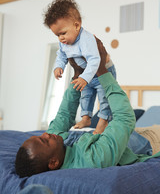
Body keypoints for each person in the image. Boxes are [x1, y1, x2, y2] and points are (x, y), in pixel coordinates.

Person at [15, 38, 160, 178]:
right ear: (53, 163)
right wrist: (103, 71)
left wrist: (77, 74)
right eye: (45, 140)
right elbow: (125, 118)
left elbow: (64, 115)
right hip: (147, 138)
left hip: (118, 133)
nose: (46, 134)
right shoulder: (94, 159)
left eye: (41, 136)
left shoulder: (55, 146)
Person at [44, 0, 116, 134]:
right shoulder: (64, 43)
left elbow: (95, 60)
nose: (60, 38)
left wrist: (84, 78)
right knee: (86, 95)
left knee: (104, 96)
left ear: (76, 26)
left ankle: (103, 120)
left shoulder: (86, 40)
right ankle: (86, 118)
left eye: (63, 33)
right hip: (86, 74)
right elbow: (62, 55)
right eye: (57, 35)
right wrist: (59, 67)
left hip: (102, 72)